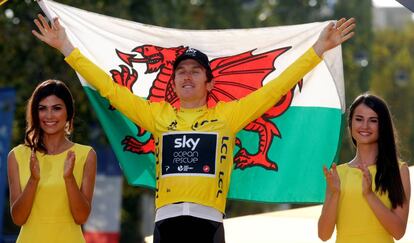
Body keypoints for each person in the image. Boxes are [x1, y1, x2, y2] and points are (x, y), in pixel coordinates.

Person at [32, 14, 355, 243]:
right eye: (181, 71)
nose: (187, 76)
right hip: (166, 223)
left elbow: (275, 89)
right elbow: (109, 89)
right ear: (172, 82)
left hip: (209, 223)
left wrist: (318, 49)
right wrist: (67, 49)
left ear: (209, 81)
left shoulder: (228, 117)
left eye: (195, 71)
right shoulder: (157, 116)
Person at [7, 80, 97, 243]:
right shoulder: (17, 156)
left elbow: (81, 217)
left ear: (69, 113)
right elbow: (18, 218)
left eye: (56, 108)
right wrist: (33, 180)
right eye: (42, 108)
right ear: (35, 112)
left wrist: (69, 178)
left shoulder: (86, 155)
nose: (49, 115)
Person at [318, 93, 411, 243]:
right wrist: (335, 193)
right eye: (359, 119)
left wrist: (369, 195)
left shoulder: (399, 171)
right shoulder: (337, 174)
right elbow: (323, 234)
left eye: (373, 120)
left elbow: (399, 231)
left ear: (383, 126)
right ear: (350, 124)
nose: (365, 126)